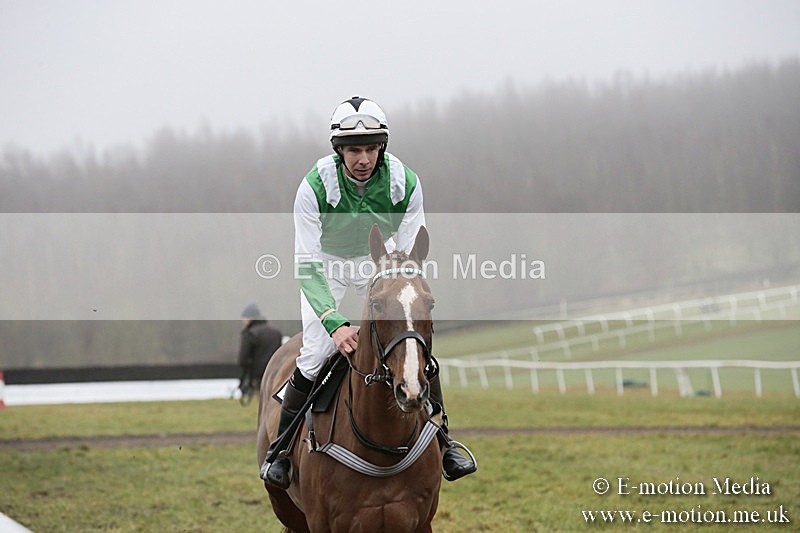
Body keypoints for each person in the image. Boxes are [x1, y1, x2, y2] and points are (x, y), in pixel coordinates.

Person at [263, 96, 476, 489]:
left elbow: (410, 258)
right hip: (325, 263)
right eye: (354, 150)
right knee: (315, 352)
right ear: (339, 151)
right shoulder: (313, 187)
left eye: (371, 149)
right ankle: (280, 452)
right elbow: (306, 264)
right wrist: (335, 324)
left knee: (410, 343)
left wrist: (404, 298)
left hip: (380, 261)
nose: (363, 159)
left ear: (382, 147)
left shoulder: (405, 182)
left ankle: (445, 442)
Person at [238, 303, 283, 399]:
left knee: (261, 401)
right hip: (275, 374)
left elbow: (242, 360)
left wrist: (248, 373)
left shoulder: (250, 334)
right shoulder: (276, 333)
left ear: (250, 318)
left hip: (257, 377)